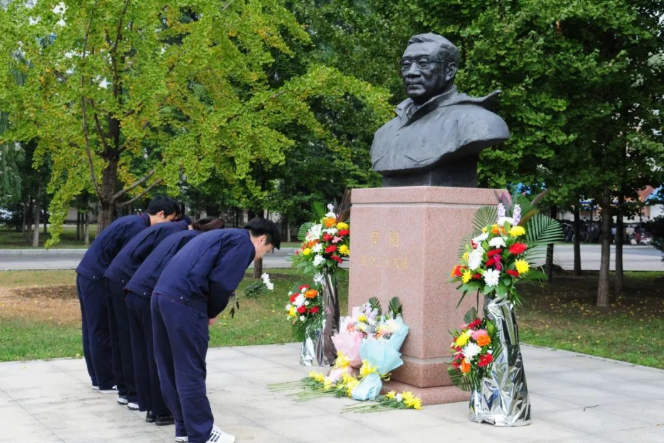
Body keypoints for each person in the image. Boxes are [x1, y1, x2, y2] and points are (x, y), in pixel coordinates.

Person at [152, 218, 280, 443]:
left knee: (170, 366)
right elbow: (222, 283)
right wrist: (211, 312)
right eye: (265, 251)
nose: (259, 257)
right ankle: (201, 433)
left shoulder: (223, 236)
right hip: (185, 300)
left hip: (161, 295)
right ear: (261, 239)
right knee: (190, 368)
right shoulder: (243, 245)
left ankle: (184, 429)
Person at [371, 33, 510, 187]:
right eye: (406, 64)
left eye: (423, 63)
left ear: (449, 71)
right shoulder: (384, 133)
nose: (411, 72)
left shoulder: (478, 122)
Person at [124, 218, 226, 426]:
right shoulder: (196, 242)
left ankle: (152, 408)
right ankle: (163, 411)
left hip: (136, 291)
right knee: (162, 356)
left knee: (147, 353)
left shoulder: (182, 236)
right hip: (151, 294)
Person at [75, 196, 177, 395]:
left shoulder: (132, 220)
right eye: (170, 220)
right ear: (161, 214)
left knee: (92, 328)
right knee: (102, 329)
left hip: (87, 274)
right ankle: (106, 380)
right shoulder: (138, 228)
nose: (170, 226)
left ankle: (98, 377)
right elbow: (128, 262)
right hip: (97, 278)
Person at [103, 214, 191, 411]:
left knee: (124, 338)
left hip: (122, 280)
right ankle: (137, 395)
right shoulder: (179, 234)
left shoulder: (167, 230)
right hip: (131, 283)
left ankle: (129, 393)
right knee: (138, 343)